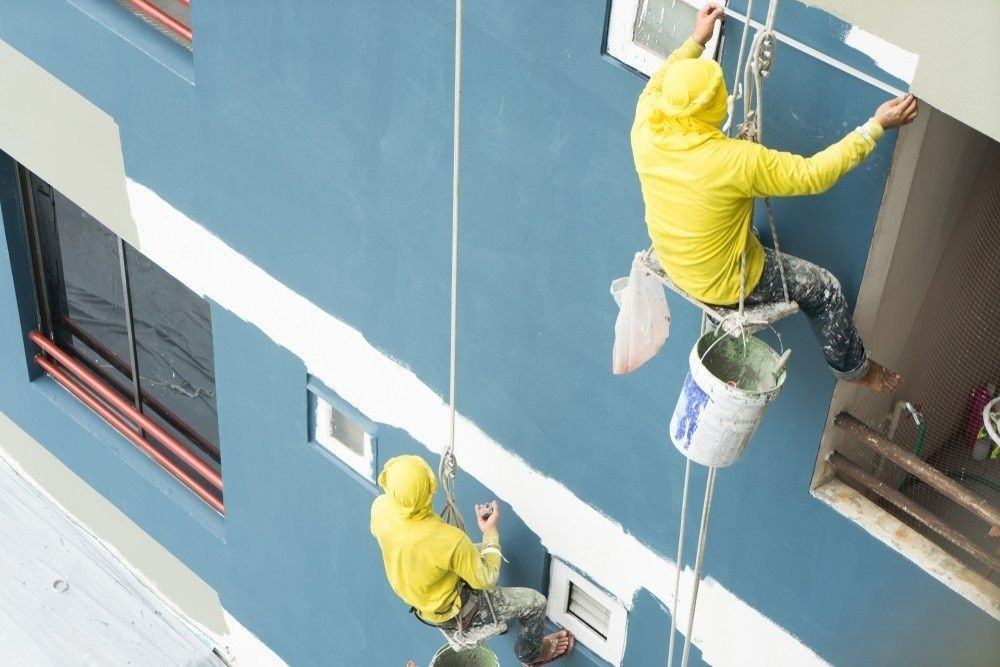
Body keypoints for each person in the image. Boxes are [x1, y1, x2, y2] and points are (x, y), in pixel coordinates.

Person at [631, 3, 918, 393]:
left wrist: (697, 38)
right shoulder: (734, 161)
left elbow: (663, 79)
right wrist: (875, 127)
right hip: (721, 283)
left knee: (743, 233)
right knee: (824, 288)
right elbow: (814, 174)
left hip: (674, 258)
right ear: (714, 104)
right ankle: (856, 370)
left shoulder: (648, 121)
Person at [370, 456, 574, 665]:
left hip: (423, 595)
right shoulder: (450, 540)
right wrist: (490, 532)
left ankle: (497, 618)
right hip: (451, 612)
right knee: (535, 603)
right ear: (430, 490)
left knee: (473, 554)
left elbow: (419, 545)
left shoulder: (379, 510)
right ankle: (531, 654)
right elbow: (487, 578)